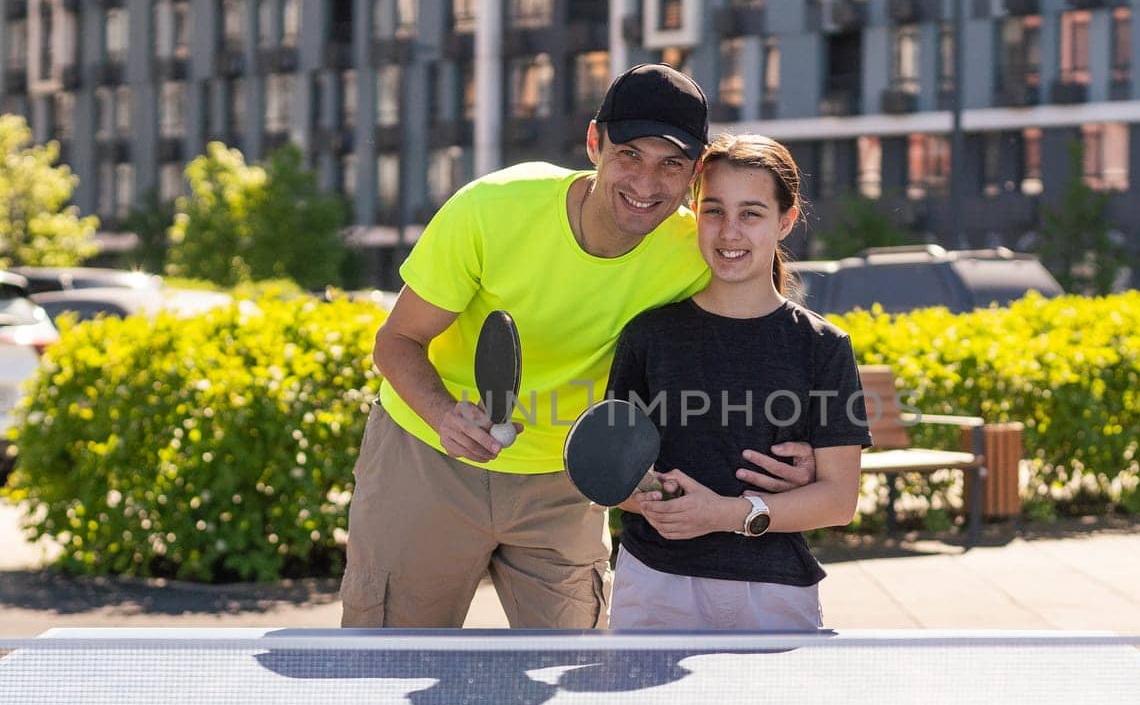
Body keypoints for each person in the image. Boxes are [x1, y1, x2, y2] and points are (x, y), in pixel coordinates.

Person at [340, 65, 816, 630]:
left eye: (671, 164)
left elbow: (756, 333)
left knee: (573, 682)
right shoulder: (491, 209)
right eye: (629, 155)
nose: (646, 182)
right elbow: (396, 341)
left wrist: (798, 448)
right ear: (594, 143)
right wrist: (444, 414)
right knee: (387, 666)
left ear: (694, 172)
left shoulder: (694, 250)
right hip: (426, 458)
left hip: (568, 482)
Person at [604, 134, 872, 630]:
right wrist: (647, 495)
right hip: (656, 586)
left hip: (772, 592)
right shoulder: (648, 335)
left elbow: (839, 500)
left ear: (785, 221)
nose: (729, 232)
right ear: (694, 213)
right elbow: (611, 479)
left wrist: (725, 512)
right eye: (713, 211)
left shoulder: (823, 347)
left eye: (750, 213)